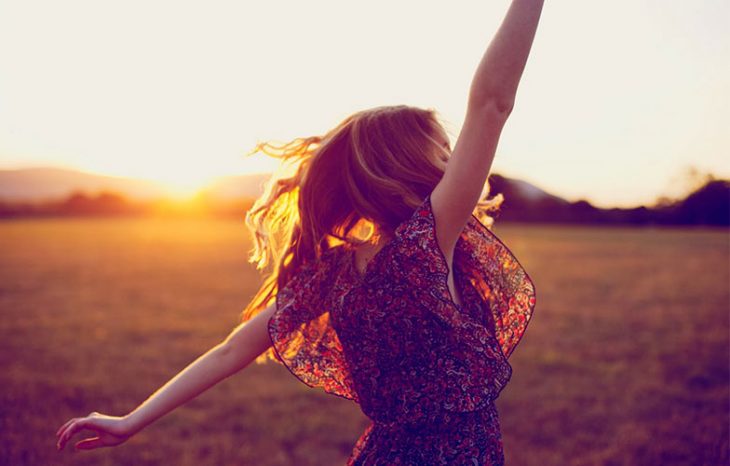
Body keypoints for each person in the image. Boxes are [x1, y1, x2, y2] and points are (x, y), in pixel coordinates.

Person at [56, 1, 543, 463]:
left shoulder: (333, 272)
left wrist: (133, 419)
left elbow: (232, 350)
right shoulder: (423, 246)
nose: (452, 158)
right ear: (408, 162)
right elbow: (491, 104)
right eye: (443, 148)